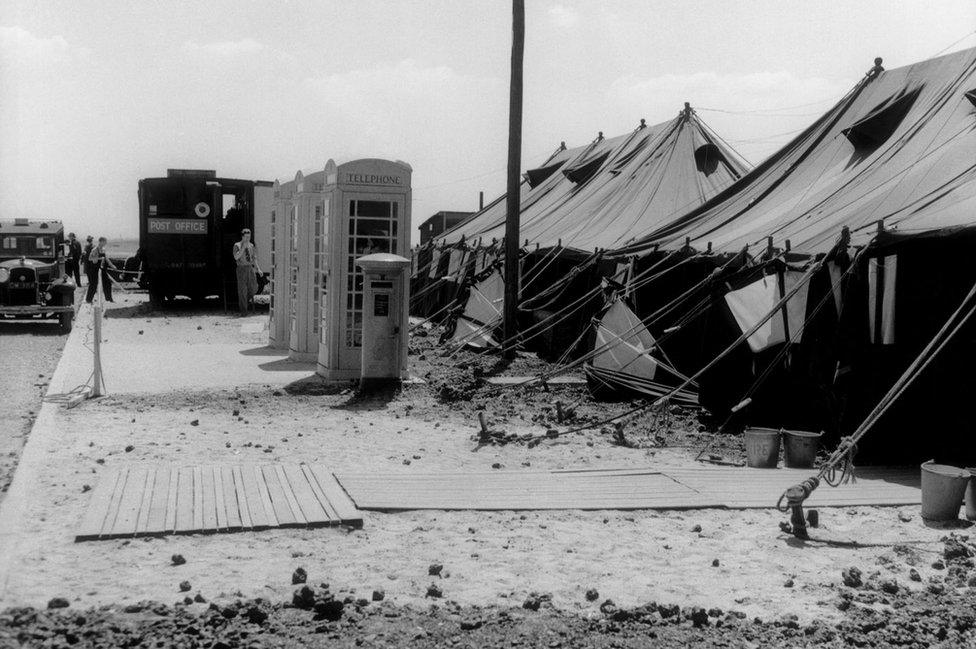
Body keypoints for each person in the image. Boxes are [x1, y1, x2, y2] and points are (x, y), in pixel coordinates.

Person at [233, 228, 258, 315]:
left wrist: (258, 269)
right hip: (241, 268)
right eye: (246, 237)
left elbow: (254, 258)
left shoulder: (251, 245)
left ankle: (244, 301)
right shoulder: (237, 245)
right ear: (242, 237)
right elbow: (236, 257)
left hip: (250, 268)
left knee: (254, 288)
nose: (248, 239)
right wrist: (243, 248)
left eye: (249, 237)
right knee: (242, 289)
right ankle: (244, 311)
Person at [86, 237, 118, 304]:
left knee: (107, 283)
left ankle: (109, 299)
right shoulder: (95, 249)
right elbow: (89, 258)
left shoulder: (103, 249)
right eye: (104, 241)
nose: (106, 243)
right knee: (93, 284)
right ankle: (88, 300)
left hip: (102, 269)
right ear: (100, 241)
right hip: (95, 269)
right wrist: (98, 258)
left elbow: (106, 259)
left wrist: (112, 266)